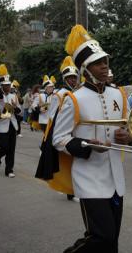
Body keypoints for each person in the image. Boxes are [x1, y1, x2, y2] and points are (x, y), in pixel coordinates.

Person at [52, 24, 130, 253]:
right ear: (86, 68)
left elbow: (127, 127)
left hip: (116, 178)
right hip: (89, 178)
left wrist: (127, 136)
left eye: (105, 61)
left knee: (112, 239)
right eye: (98, 63)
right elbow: (59, 139)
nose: (105, 66)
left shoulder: (118, 94)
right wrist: (86, 145)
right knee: (101, 236)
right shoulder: (74, 99)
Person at [48, 56, 80, 203]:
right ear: (65, 79)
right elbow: (53, 117)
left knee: (75, 164)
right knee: (66, 165)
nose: (73, 80)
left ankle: (72, 190)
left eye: (74, 77)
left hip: (77, 132)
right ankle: (70, 191)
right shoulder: (59, 94)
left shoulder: (79, 93)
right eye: (70, 78)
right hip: (64, 133)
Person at [0, 64, 21, 178]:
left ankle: (9, 170)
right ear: (1, 86)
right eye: (5, 85)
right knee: (4, 147)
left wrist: (15, 108)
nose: (8, 87)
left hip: (12, 124)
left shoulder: (14, 96)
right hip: (2, 125)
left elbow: (19, 111)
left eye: (9, 85)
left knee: (11, 149)